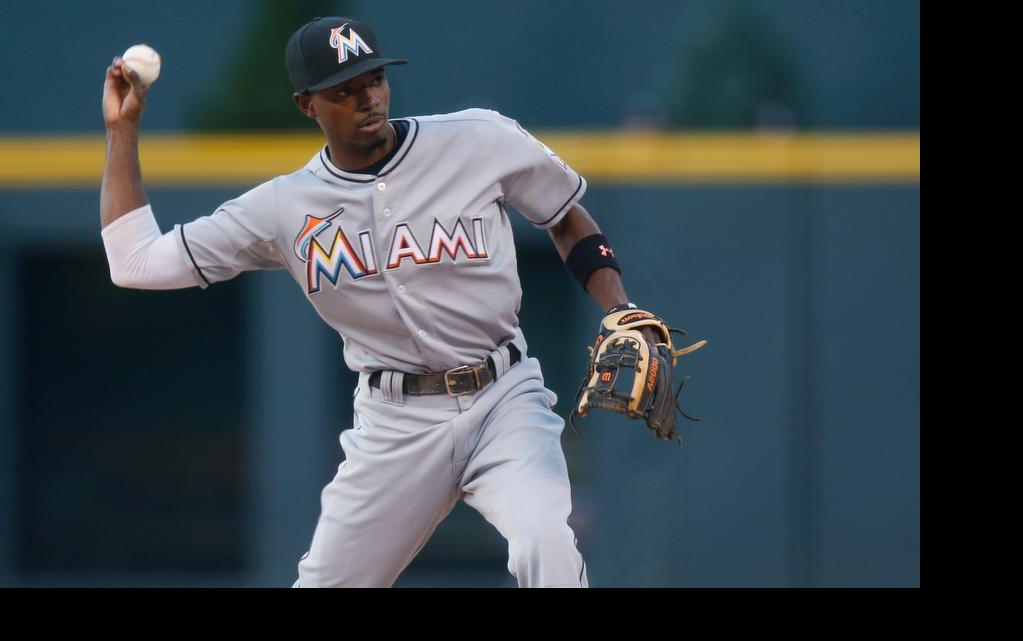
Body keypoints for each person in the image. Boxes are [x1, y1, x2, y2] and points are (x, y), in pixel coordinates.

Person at [101, 16, 651, 588]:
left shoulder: (478, 139)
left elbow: (564, 214)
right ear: (306, 105)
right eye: (344, 91)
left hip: (503, 398)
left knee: (546, 544)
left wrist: (618, 307)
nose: (368, 99)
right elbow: (135, 263)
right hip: (395, 424)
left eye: (374, 81)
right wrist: (122, 135)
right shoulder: (285, 208)